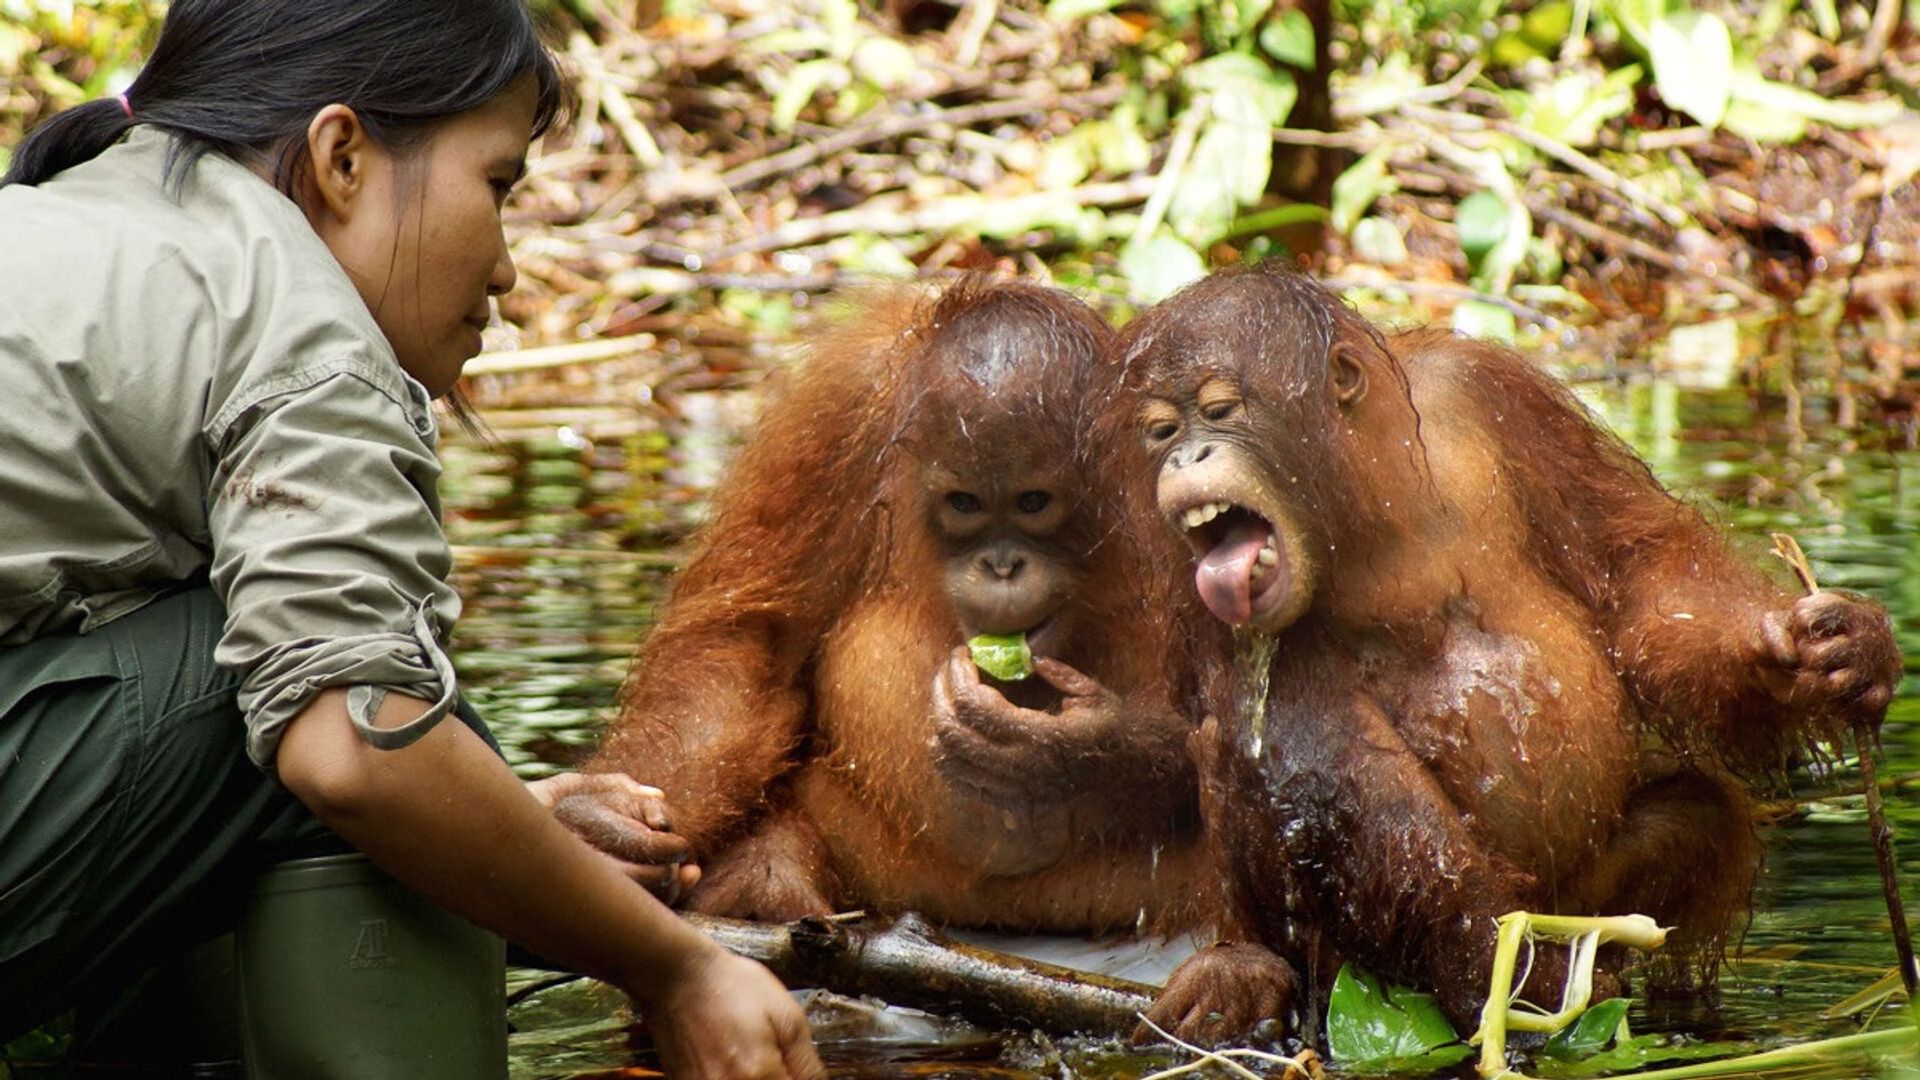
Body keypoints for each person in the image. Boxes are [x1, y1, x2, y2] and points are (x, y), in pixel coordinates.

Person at [0, 2, 823, 1077]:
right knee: (322, 707)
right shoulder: (292, 310)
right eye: (497, 187)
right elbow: (352, 748)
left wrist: (499, 822)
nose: (509, 271)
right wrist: (680, 971)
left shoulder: (81, 212)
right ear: (341, 157)